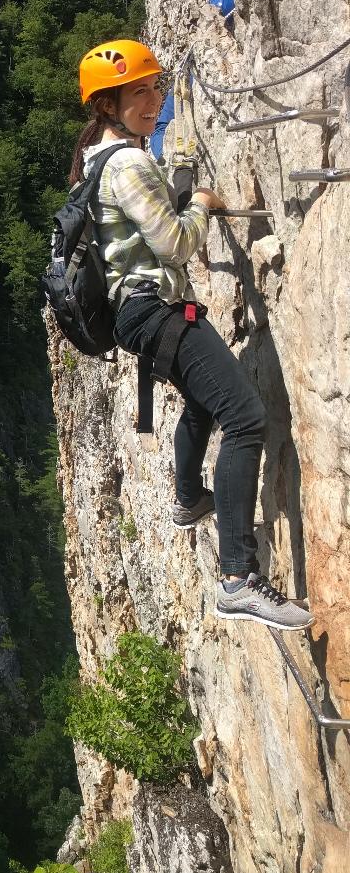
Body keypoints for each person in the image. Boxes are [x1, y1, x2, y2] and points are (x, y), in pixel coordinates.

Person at [71, 38, 313, 630]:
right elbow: (176, 243)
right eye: (139, 92)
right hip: (157, 308)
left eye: (156, 86)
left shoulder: (99, 159)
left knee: (205, 407)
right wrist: (201, 201)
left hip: (139, 313)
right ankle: (237, 578)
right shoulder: (126, 162)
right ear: (107, 105)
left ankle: (187, 498)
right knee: (246, 418)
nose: (153, 99)